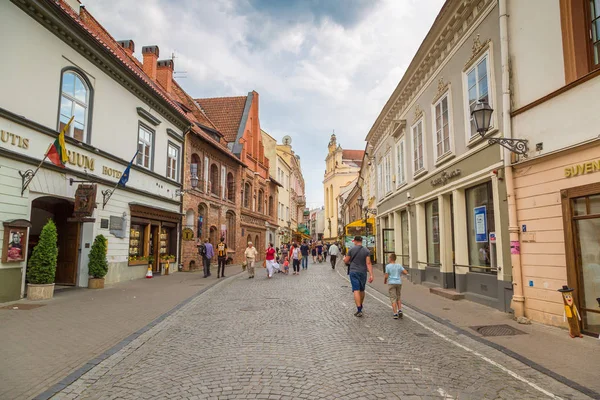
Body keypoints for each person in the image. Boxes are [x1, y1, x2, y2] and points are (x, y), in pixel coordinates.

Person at [343, 236, 373, 317]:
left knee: (356, 290)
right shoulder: (366, 250)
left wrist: (344, 259)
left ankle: (359, 309)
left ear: (355, 241)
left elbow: (346, 261)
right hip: (363, 272)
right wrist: (371, 275)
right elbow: (368, 263)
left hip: (354, 271)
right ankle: (361, 304)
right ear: (362, 241)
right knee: (362, 289)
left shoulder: (351, 250)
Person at [384, 254, 409, 319]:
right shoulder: (399, 265)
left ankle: (395, 313)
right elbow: (405, 272)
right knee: (398, 297)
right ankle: (400, 310)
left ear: (390, 258)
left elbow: (386, 276)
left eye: (389, 258)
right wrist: (399, 273)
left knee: (393, 298)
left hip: (391, 283)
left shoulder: (388, 266)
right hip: (398, 282)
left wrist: (385, 280)